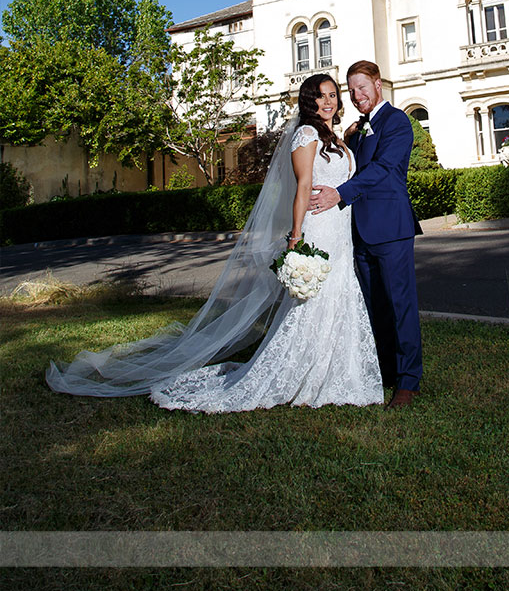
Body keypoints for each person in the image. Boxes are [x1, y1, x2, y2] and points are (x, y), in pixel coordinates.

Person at [46, 75, 383, 411]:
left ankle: (338, 372)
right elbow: (303, 186)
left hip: (341, 232)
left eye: (333, 95)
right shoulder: (306, 134)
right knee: (314, 302)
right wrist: (295, 238)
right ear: (309, 102)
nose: (329, 101)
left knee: (339, 293)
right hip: (319, 229)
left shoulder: (338, 138)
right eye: (320, 96)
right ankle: (303, 374)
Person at [310, 60, 423, 409]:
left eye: (363, 87)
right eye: (352, 90)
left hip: (390, 229)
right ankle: (386, 371)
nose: (358, 95)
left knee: (401, 305)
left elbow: (385, 169)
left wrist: (340, 193)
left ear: (378, 84)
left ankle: (408, 381)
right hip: (358, 232)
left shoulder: (397, 121)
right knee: (375, 307)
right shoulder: (356, 132)